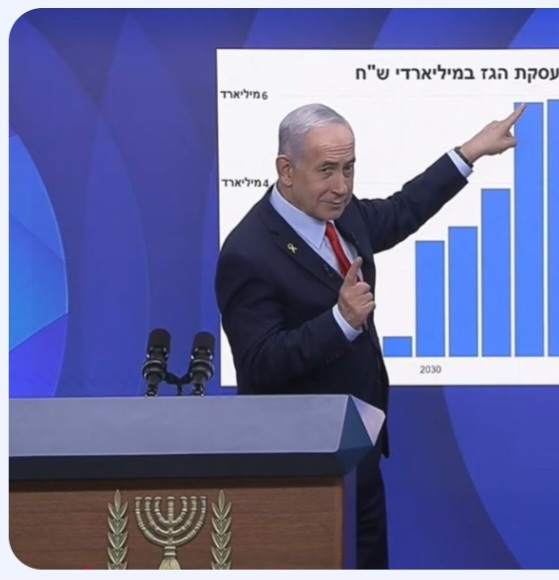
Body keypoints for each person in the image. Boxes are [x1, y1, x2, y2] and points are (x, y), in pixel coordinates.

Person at [215, 102, 524, 568]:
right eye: (327, 170)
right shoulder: (248, 252)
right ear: (286, 169)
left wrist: (469, 153)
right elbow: (259, 363)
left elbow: (402, 210)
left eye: (349, 169)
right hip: (299, 466)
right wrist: (340, 321)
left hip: (358, 448)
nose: (341, 186)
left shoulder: (342, 214)